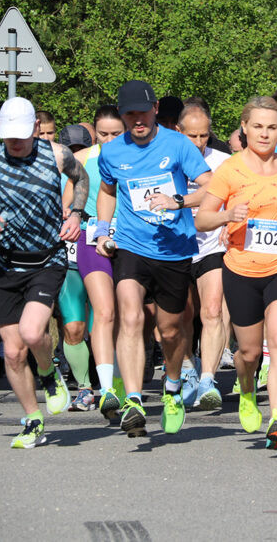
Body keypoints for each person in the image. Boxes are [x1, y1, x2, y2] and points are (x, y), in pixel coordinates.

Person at [0, 97, 87, 448]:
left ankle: (48, 372)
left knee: (31, 332)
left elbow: (81, 177)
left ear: (34, 129)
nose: (15, 142)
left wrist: (75, 214)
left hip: (46, 260)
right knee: (12, 353)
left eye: (22, 135)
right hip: (5, 264)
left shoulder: (56, 154)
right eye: (9, 135)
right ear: (0, 129)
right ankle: (32, 419)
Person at [196, 96, 277, 450]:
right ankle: (247, 389)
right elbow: (202, 219)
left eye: (272, 127)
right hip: (241, 270)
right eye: (258, 127)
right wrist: (227, 215)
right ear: (245, 128)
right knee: (248, 353)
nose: (265, 134)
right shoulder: (230, 170)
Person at [95, 80, 212, 437]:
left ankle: (173, 387)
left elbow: (212, 187)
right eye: (129, 114)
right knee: (130, 316)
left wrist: (178, 201)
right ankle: (133, 400)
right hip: (131, 244)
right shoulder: (112, 152)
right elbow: (107, 191)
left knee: (171, 330)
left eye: (143, 112)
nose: (137, 120)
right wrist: (102, 230)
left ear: (156, 108)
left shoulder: (177, 144)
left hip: (174, 248)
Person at [70, 106, 125, 419]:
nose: (110, 139)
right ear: (95, 133)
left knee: (129, 316)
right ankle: (106, 390)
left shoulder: (138, 157)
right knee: (104, 311)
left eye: (116, 133)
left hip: (130, 240)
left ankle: (121, 378)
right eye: (103, 134)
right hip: (91, 238)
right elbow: (66, 202)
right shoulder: (81, 159)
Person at [178, 104, 230, 409]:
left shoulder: (223, 162)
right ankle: (188, 369)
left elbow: (237, 197)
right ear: (179, 132)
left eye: (204, 135)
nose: (199, 142)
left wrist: (230, 224)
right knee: (181, 315)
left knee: (212, 311)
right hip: (177, 246)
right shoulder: (167, 159)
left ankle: (209, 380)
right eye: (192, 136)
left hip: (212, 244)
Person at [55, 124, 97, 411]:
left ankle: (111, 384)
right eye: (72, 151)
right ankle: (84, 388)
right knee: (73, 327)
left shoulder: (103, 164)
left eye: (82, 149)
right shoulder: (50, 172)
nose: (76, 155)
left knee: (102, 325)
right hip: (68, 256)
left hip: (97, 250)